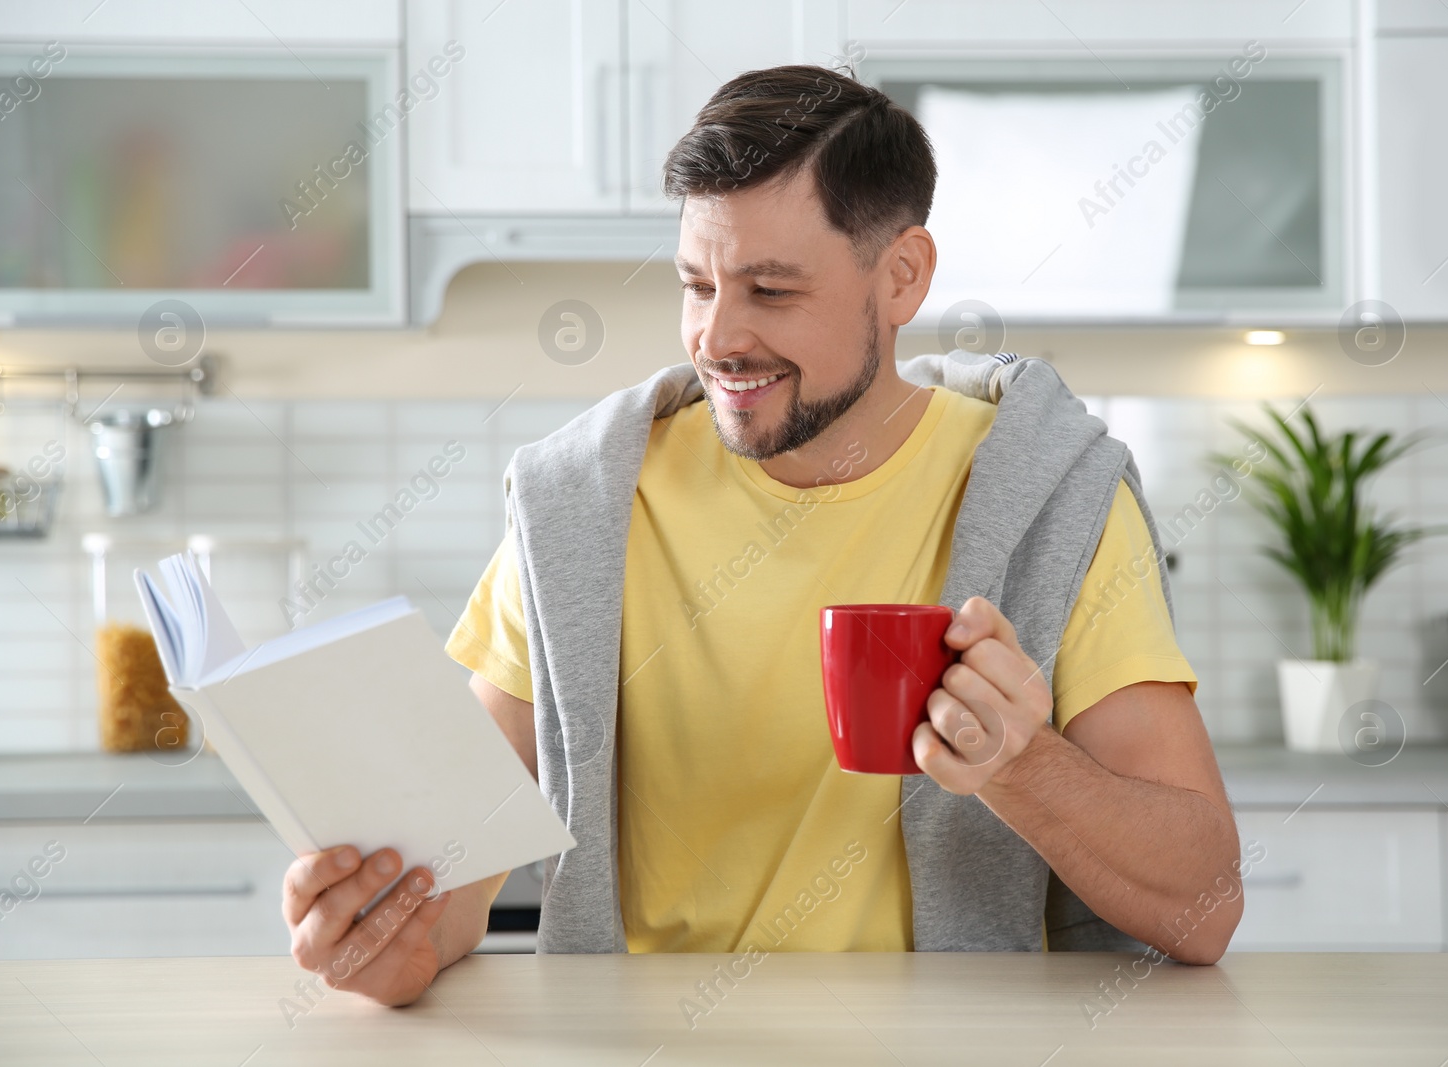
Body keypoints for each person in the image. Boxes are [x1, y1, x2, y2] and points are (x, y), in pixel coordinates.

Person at [281, 64, 1241, 1007]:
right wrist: (390, 945)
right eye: (697, 285)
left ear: (902, 276)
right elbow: (452, 880)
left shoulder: (1055, 500)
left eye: (771, 292)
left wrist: (1021, 766)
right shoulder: (580, 502)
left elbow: (1204, 908)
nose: (717, 337)